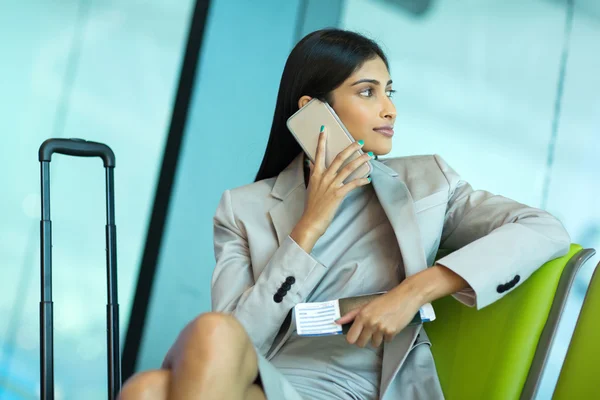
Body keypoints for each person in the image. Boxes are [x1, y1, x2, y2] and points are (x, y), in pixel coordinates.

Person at [118, 28, 571, 400]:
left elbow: (543, 228)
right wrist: (309, 226)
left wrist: (412, 292)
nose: (389, 108)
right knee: (167, 373)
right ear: (314, 110)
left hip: (353, 389)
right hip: (266, 378)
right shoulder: (243, 208)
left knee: (149, 390)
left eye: (388, 92)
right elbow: (239, 342)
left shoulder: (429, 184)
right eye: (367, 92)